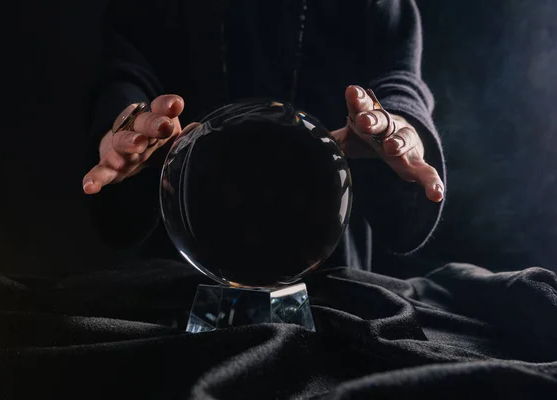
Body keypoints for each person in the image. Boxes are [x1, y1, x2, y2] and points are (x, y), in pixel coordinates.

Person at [82, 0, 446, 272]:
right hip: (183, 267)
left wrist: (394, 122)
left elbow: (398, 77)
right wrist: (128, 130)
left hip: (326, 272)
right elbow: (128, 70)